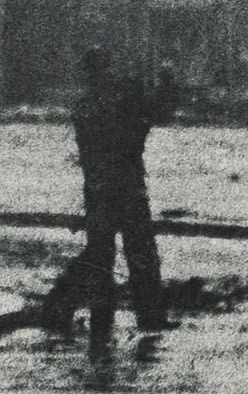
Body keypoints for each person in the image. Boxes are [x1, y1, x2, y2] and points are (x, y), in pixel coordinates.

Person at [36, 46, 180, 347]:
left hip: (99, 188)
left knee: (100, 254)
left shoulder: (86, 106)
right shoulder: (122, 98)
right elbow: (154, 115)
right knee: (140, 252)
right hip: (127, 186)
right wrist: (166, 81)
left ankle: (95, 313)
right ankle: (149, 315)